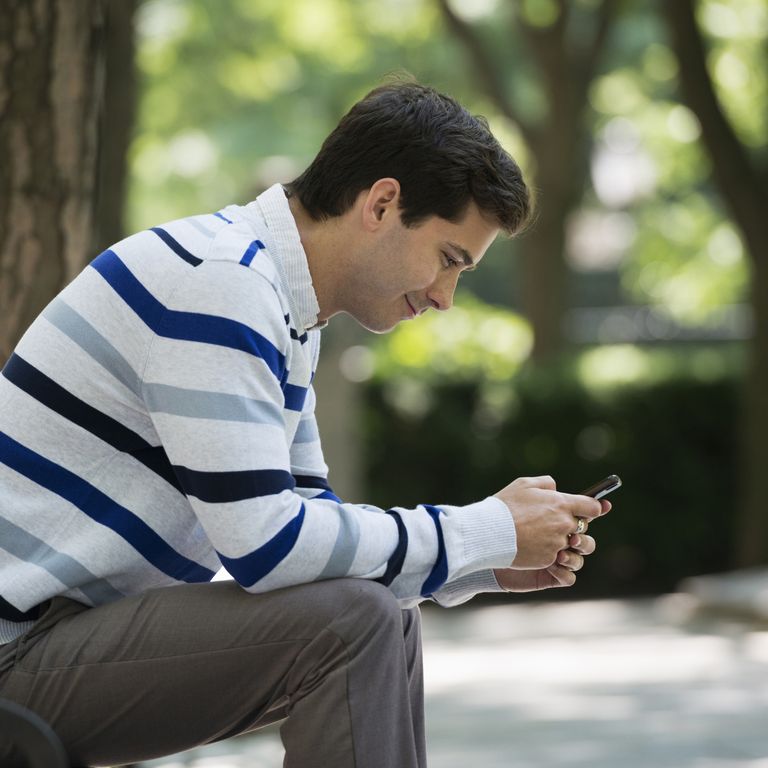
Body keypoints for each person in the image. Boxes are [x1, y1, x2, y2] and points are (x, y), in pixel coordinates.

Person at [0, 81, 609, 767]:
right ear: (381, 203)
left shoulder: (280, 305)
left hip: (55, 642)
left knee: (374, 611)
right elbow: (268, 546)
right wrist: (481, 530)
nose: (445, 298)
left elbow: (316, 539)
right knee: (354, 622)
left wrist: (480, 563)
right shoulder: (221, 283)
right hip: (15, 654)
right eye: (448, 259)